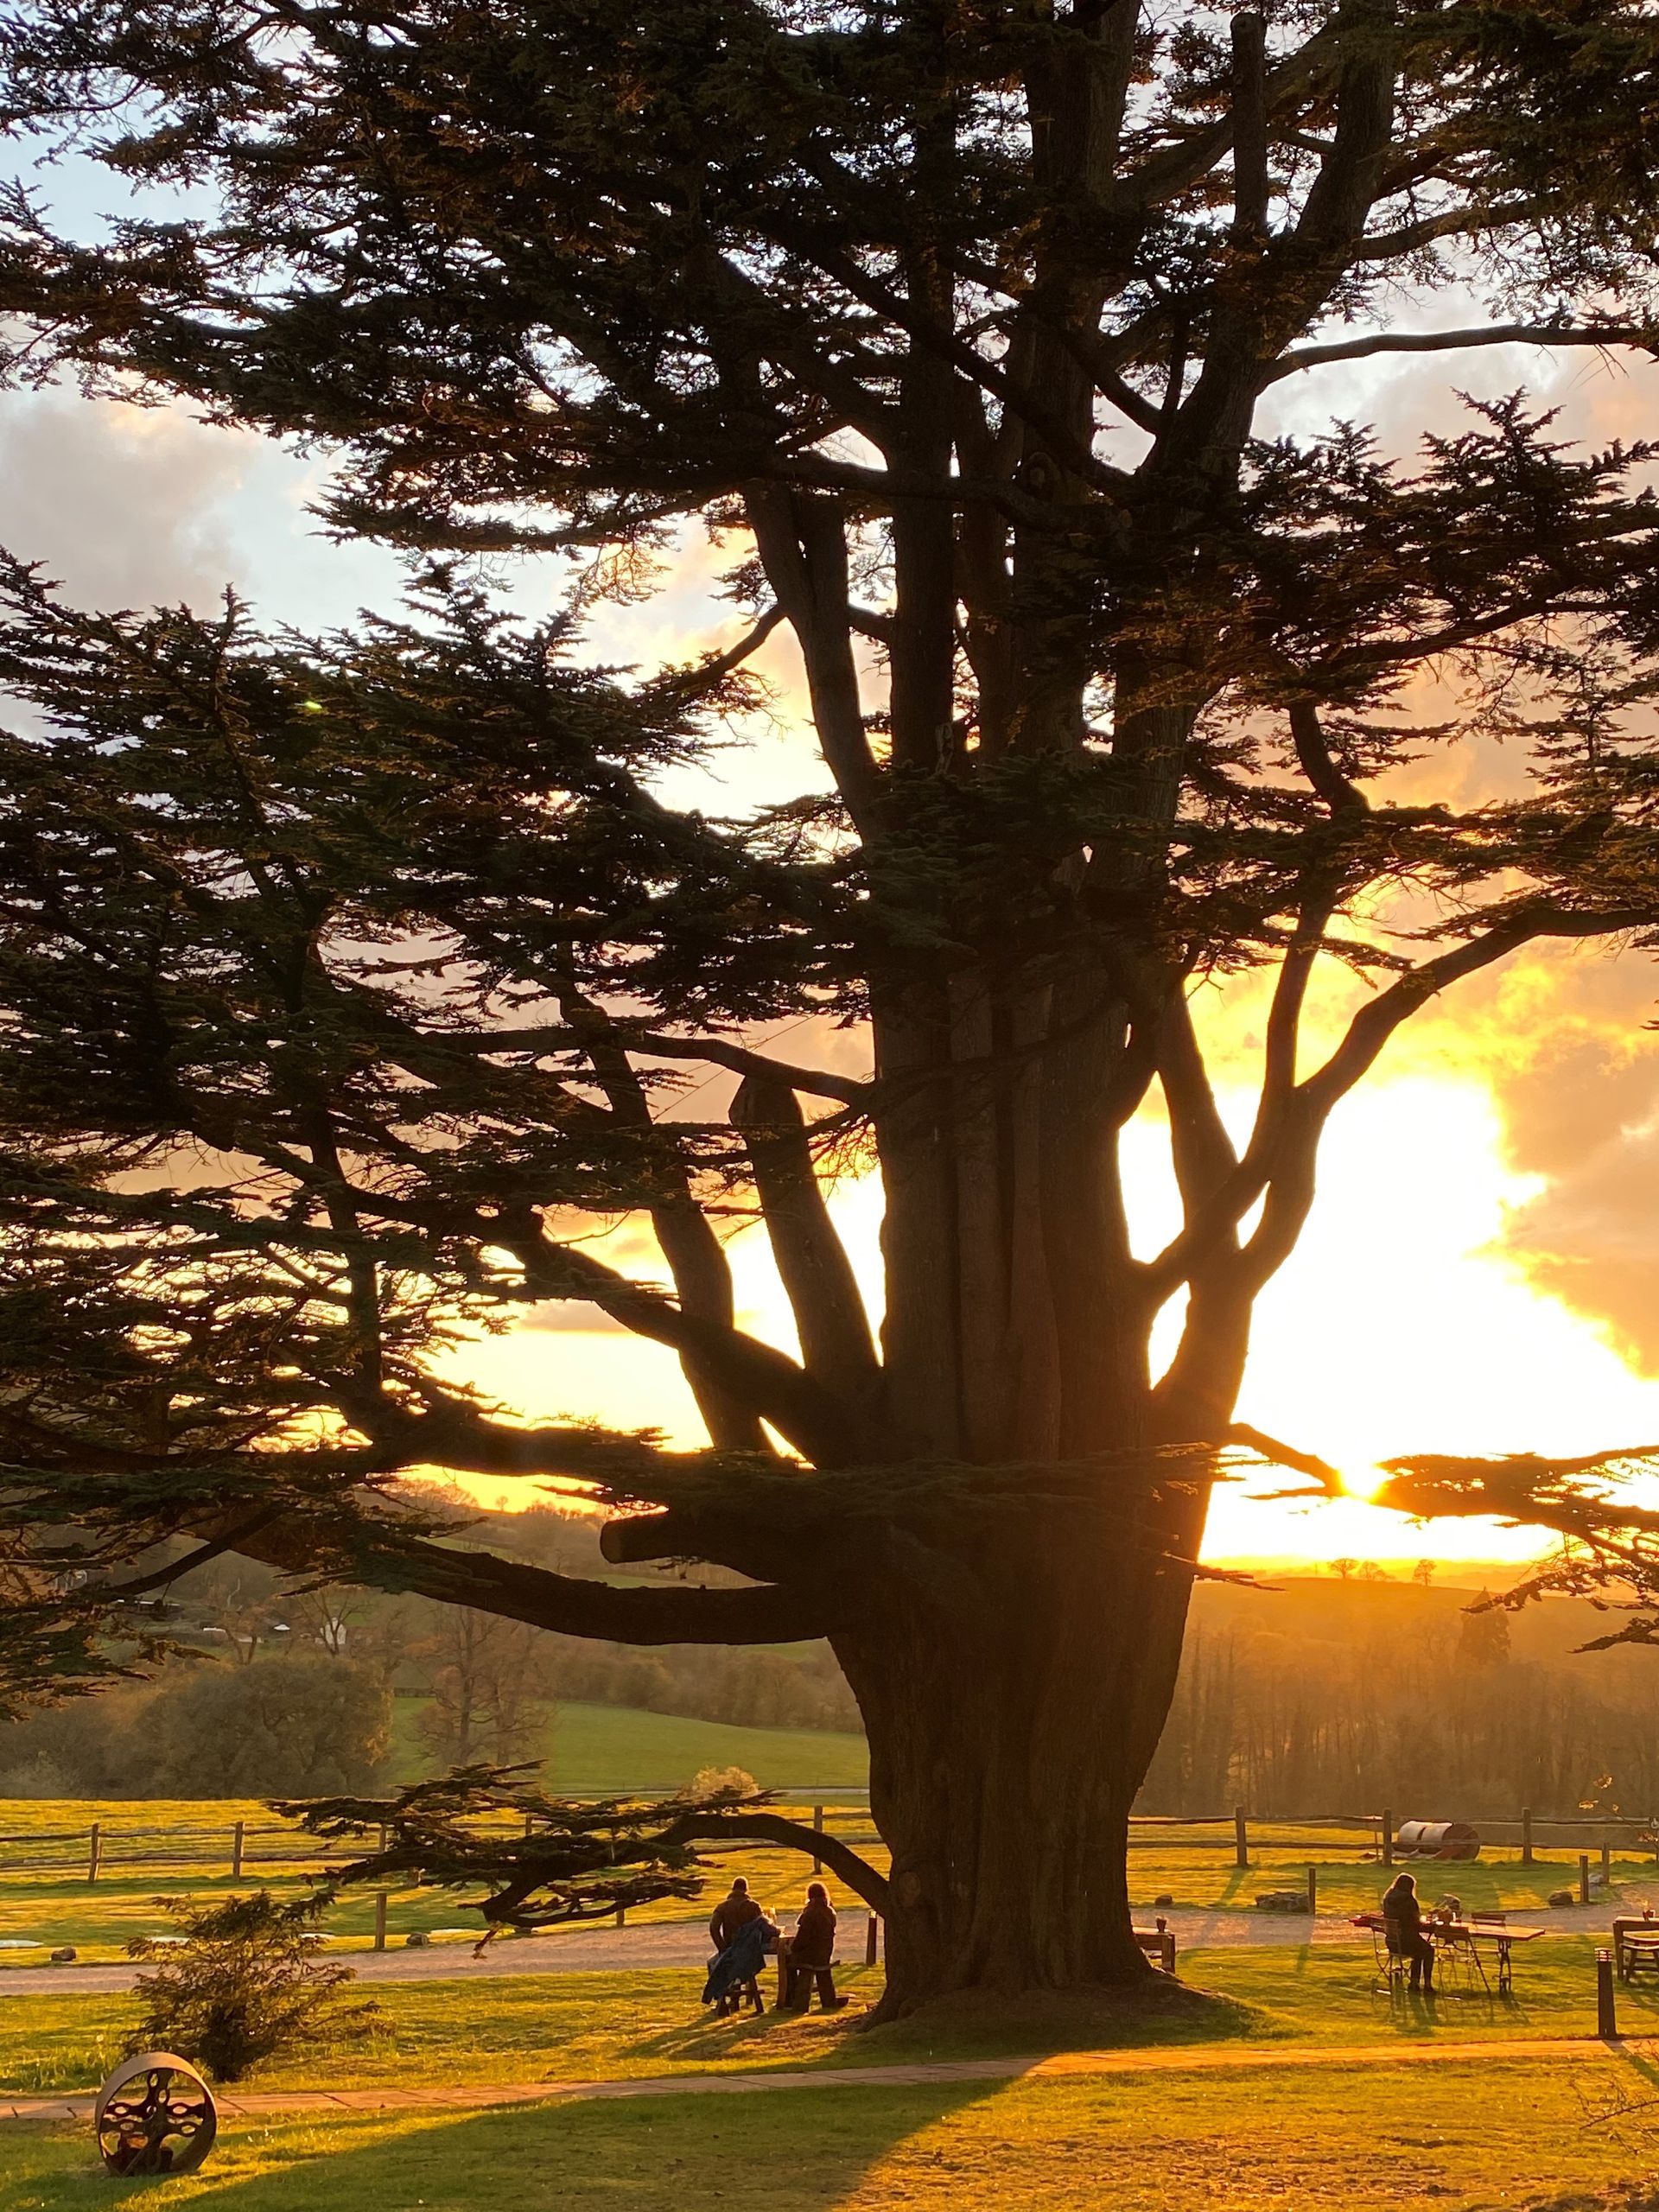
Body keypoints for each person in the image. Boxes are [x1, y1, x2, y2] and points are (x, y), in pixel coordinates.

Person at [785, 1882, 847, 2012]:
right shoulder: (830, 1912)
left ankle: (793, 2001)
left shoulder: (810, 1913)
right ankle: (829, 2001)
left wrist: (792, 1948)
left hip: (810, 1955)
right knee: (822, 1972)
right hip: (824, 1954)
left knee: (789, 1962)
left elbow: (802, 1939)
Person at [1382, 1870, 1435, 1993]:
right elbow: (1416, 1925)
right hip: (1407, 1941)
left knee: (1419, 1951)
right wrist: (1430, 1925)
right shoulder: (1409, 1901)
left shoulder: (1388, 1899)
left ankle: (1414, 1983)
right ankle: (1427, 1984)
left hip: (1392, 1942)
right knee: (1428, 1951)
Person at [709, 1876, 762, 1953]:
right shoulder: (753, 1906)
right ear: (746, 1890)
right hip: (750, 1950)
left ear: (733, 1889)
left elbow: (713, 1927)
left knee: (712, 1963)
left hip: (730, 1947)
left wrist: (722, 1948)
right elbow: (762, 1925)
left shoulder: (722, 1907)